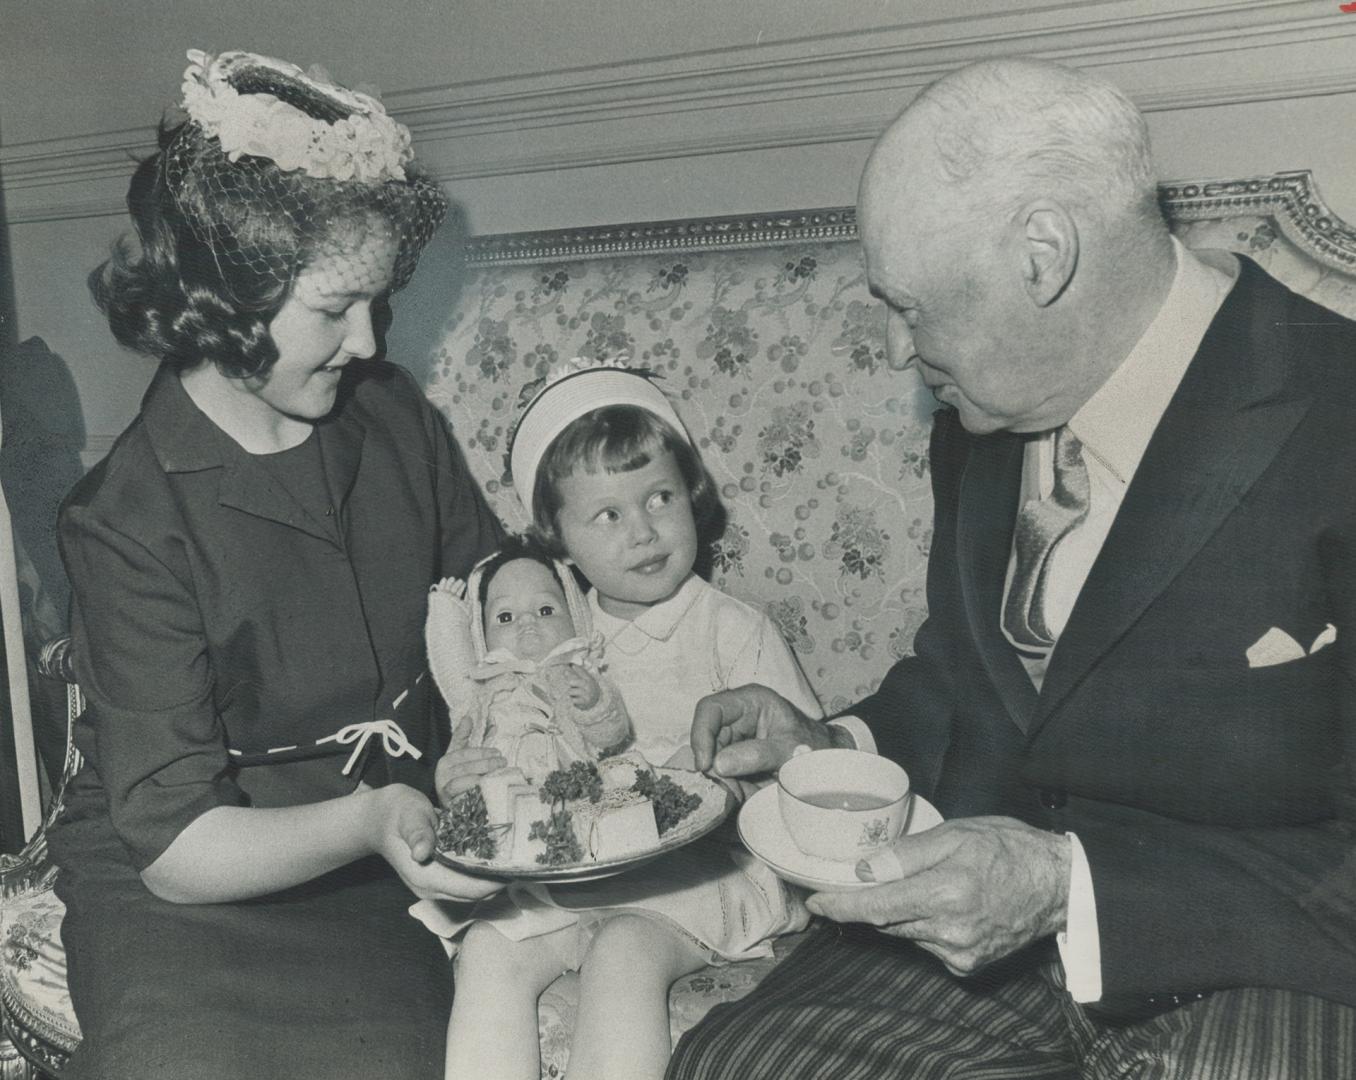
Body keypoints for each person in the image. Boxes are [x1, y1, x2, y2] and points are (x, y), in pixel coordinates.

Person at [667, 57, 1356, 1080]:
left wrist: (1068, 887)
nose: (899, 353)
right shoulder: (986, 413)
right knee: (739, 1063)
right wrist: (834, 744)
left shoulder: (1335, 409)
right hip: (993, 939)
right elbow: (972, 680)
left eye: (912, 308)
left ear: (1044, 255)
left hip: (1259, 950)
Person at [51, 49, 504, 1080]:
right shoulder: (125, 517)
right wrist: (374, 817)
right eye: (335, 307)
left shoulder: (393, 419)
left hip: (377, 866)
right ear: (224, 296)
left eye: (381, 301)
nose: (368, 339)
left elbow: (491, 609)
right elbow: (174, 847)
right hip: (192, 886)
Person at [423, 358, 827, 1080]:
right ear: (557, 537)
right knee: (489, 950)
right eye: (608, 514)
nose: (643, 531)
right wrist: (468, 780)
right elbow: (517, 757)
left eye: (660, 497)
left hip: (704, 876)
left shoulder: (733, 630)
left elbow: (808, 773)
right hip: (575, 875)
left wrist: (743, 783)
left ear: (691, 496)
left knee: (623, 951)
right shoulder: (551, 642)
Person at [426, 534, 634, 792]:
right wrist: (445, 610)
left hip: (574, 792)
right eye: (505, 616)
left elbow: (613, 736)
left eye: (545, 610)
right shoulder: (484, 686)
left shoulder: (577, 675)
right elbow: (451, 660)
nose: (526, 621)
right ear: (482, 637)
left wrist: (593, 703)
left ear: (576, 618)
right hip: (503, 799)